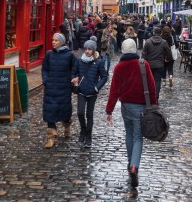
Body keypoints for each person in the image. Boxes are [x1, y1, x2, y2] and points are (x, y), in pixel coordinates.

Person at [106, 39, 157, 188]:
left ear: (122, 50)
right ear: (135, 49)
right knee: (138, 138)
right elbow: (152, 86)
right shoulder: (143, 64)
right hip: (141, 107)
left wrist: (109, 110)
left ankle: (130, 165)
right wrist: (154, 105)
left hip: (126, 107)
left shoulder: (119, 67)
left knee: (129, 134)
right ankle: (134, 166)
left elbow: (114, 90)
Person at [42, 33, 76, 148]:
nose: (53, 42)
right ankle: (51, 137)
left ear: (61, 42)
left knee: (64, 110)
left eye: (56, 40)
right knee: (49, 111)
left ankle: (67, 126)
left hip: (64, 88)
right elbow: (45, 69)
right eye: (53, 40)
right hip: (51, 88)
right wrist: (45, 80)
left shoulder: (70, 55)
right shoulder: (49, 54)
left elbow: (74, 69)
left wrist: (71, 80)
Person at [72, 39, 108, 148]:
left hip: (92, 92)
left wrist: (97, 88)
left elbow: (104, 76)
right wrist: (75, 79)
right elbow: (74, 72)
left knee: (89, 114)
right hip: (81, 91)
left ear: (93, 50)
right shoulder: (79, 61)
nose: (87, 51)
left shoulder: (99, 62)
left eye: (89, 49)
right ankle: (83, 131)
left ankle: (88, 136)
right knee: (80, 113)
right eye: (86, 49)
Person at [142, 26, 172, 101]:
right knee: (157, 81)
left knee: (149, 80)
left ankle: (149, 97)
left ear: (153, 33)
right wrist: (167, 59)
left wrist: (143, 64)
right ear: (160, 33)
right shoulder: (163, 42)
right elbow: (169, 53)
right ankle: (156, 97)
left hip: (149, 65)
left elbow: (144, 54)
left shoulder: (148, 42)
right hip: (159, 65)